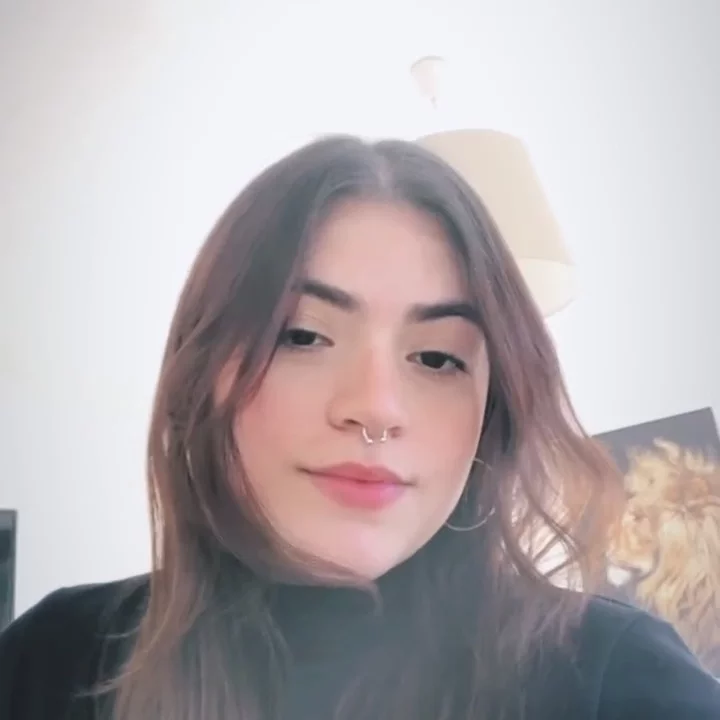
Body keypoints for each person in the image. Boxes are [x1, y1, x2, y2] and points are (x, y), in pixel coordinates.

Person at [1, 135, 718, 720]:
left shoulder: (612, 678)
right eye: (303, 337)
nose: (376, 407)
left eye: (436, 357)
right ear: (205, 370)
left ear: (490, 415)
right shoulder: (58, 660)